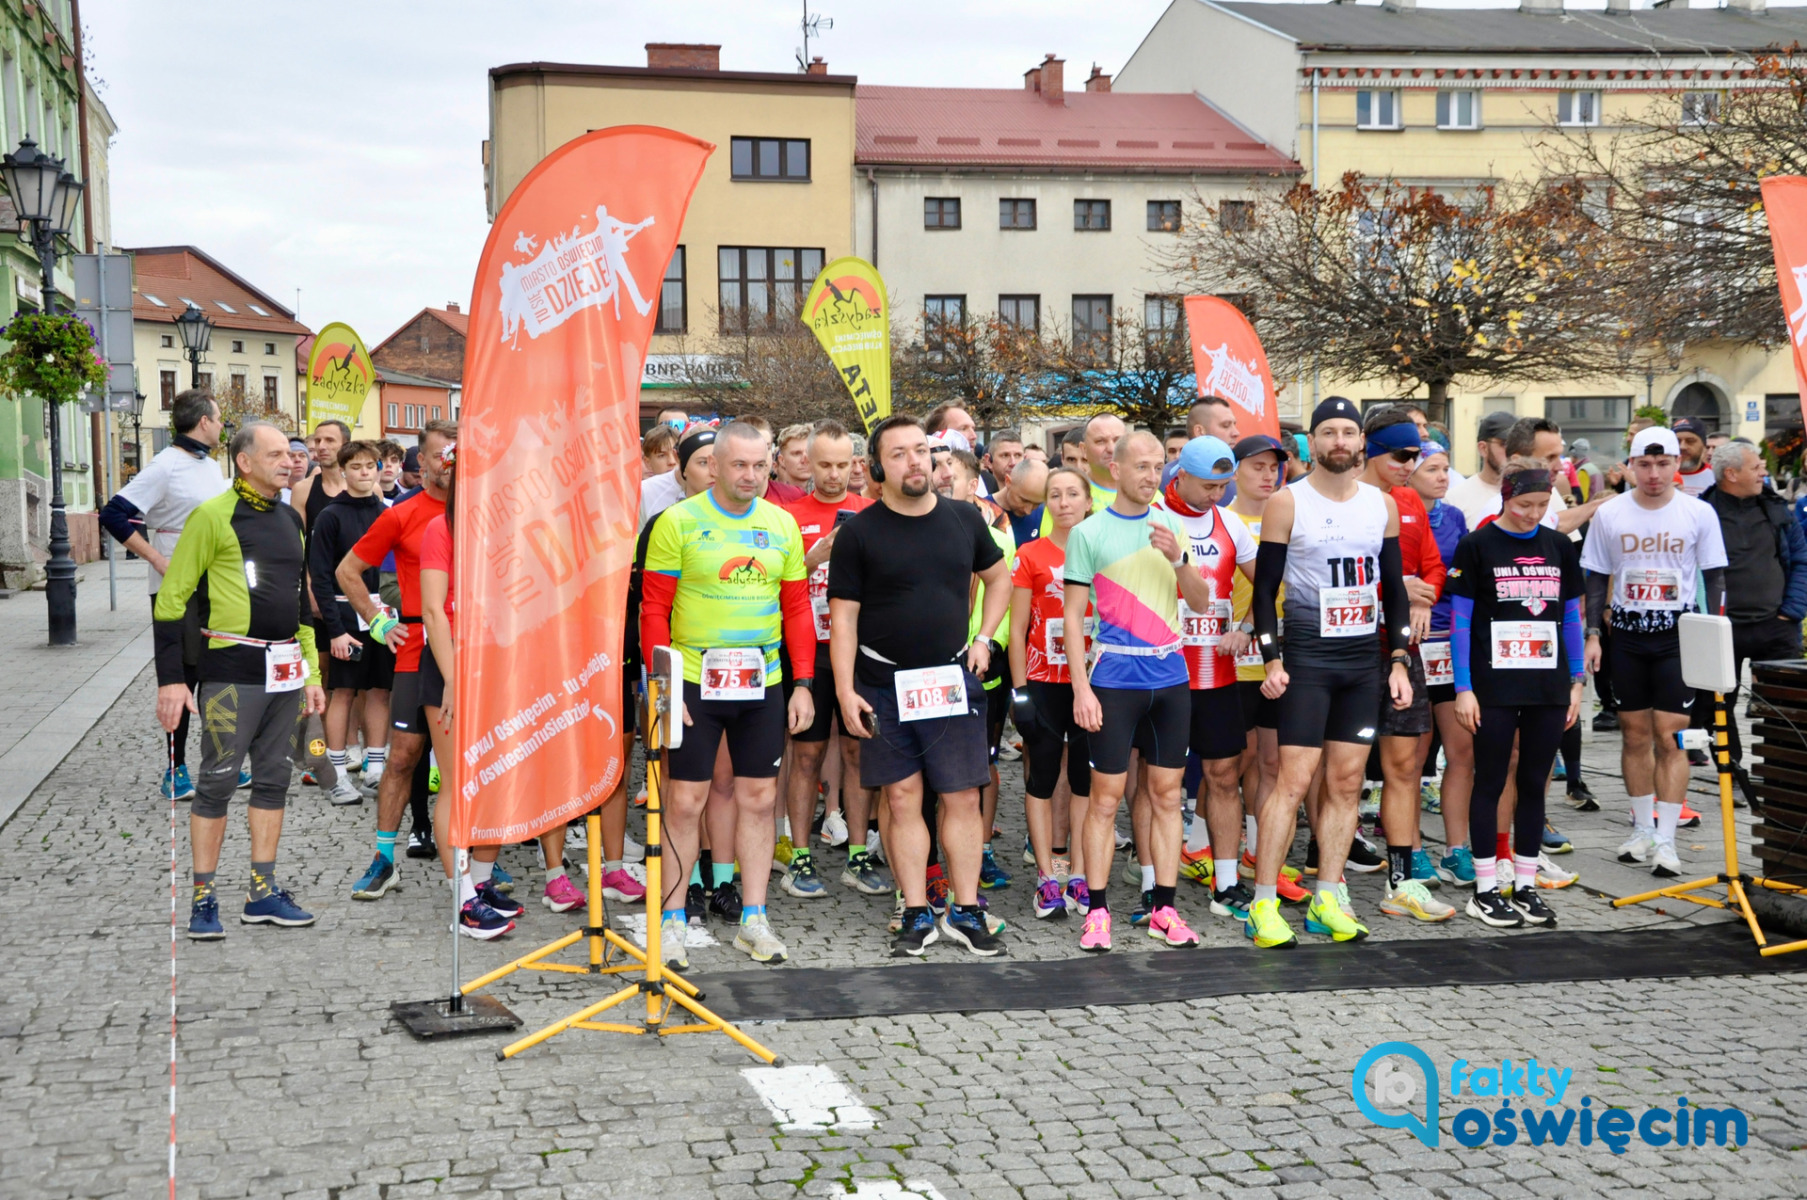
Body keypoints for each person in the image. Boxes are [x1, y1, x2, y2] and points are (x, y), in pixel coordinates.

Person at [829, 415, 1011, 958]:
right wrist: (844, 691)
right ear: (877, 468)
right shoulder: (860, 532)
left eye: (921, 451)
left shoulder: (964, 519)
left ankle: (967, 909)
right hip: (882, 682)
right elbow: (842, 621)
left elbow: (1000, 578)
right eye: (901, 453)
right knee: (903, 797)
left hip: (951, 678)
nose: (915, 462)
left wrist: (985, 639)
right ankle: (914, 911)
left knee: (960, 795)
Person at [641, 422, 817, 966]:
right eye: (738, 465)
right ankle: (670, 920)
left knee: (760, 801)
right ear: (713, 465)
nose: (750, 475)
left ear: (772, 465)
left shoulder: (781, 524)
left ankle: (755, 918)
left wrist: (804, 683)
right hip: (693, 680)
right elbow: (653, 611)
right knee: (684, 801)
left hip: (760, 682)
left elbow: (795, 608)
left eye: (759, 465)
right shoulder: (677, 522)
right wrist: (664, 689)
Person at [1247, 398, 1415, 949]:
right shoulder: (1286, 502)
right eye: (1328, 433)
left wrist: (1398, 659)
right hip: (1309, 659)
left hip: (1363, 661)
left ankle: (1326, 896)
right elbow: (1265, 590)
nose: (1339, 441)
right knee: (1292, 783)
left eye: (1348, 432)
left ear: (1360, 442)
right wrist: (1272, 658)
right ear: (1312, 443)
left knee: (1346, 784)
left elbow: (1393, 589)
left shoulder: (1381, 505)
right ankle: (1264, 902)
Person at [155, 422, 326, 939]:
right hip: (232, 671)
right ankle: (204, 899)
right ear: (244, 461)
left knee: (275, 779)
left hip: (286, 673)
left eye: (290, 455)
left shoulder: (291, 519)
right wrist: (171, 681)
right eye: (275, 454)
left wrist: (313, 673)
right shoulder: (211, 517)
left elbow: (300, 604)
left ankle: (262, 892)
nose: (289, 461)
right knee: (217, 783)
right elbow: (172, 600)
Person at [1063, 430, 1226, 952]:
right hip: (1114, 680)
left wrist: (1179, 559)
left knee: (1166, 797)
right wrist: (1081, 689)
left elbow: (1201, 603)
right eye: (1141, 466)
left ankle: (1164, 909)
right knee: (1105, 801)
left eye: (1159, 466)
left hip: (1170, 678)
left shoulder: (1173, 526)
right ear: (1115, 470)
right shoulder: (1089, 533)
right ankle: (1097, 911)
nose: (1151, 475)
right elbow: (1071, 619)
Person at [1583, 426, 1727, 878]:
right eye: (1644, 465)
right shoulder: (1611, 514)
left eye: (1663, 463)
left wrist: (1718, 630)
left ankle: (1666, 837)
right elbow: (1594, 577)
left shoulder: (1698, 513)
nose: (1653, 474)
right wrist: (1591, 632)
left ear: (1677, 464)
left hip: (1676, 635)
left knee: (1671, 736)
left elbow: (1716, 576)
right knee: (1633, 734)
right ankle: (1642, 828)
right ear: (1629, 466)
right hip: (1626, 632)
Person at [1449, 457, 1585, 928]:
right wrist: (1464, 689)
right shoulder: (1477, 545)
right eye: (1525, 504)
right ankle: (1485, 888)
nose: (1532, 513)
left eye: (1542, 505)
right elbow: (1461, 624)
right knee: (1489, 782)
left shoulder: (1559, 545)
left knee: (1533, 784)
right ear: (1506, 497)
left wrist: (1577, 683)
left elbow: (1570, 617)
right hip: (1495, 686)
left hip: (1547, 685)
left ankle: (1525, 884)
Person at [336, 420, 456, 902]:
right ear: (419, 462)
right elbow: (347, 571)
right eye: (440, 455)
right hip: (416, 647)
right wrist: (379, 621)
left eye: (457, 454)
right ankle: (384, 859)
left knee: (466, 760)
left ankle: (477, 864)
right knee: (404, 756)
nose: (449, 463)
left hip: (471, 648)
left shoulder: (482, 510)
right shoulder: (403, 513)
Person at [414, 447, 527, 938]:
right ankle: (461, 898)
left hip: (499, 667)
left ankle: (481, 885)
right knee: (459, 786)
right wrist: (455, 681)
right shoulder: (441, 529)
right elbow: (435, 612)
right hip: (451, 669)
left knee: (496, 781)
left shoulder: (506, 528)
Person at [98, 388, 227, 800]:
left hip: (215, 580)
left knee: (217, 669)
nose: (222, 425)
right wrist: (156, 559)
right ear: (203, 421)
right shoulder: (165, 465)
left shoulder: (210, 464)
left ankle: (221, 760)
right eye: (219, 418)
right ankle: (176, 769)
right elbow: (113, 514)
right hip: (178, 582)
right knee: (183, 674)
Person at [778, 421, 884, 899]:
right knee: (806, 755)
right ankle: (799, 856)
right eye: (825, 465)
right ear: (807, 463)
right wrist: (812, 559)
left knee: (859, 751)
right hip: (809, 654)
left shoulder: (872, 514)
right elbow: (773, 586)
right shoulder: (785, 516)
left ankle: (859, 855)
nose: (835, 474)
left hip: (862, 653)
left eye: (844, 465)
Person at [1158, 436, 1261, 925]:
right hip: (1161, 674)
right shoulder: (1155, 513)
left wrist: (1244, 629)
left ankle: (1226, 882)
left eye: (1223, 485)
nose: (1216, 495)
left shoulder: (1231, 523)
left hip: (1216, 673)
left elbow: (1267, 584)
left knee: (1223, 776)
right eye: (1207, 485)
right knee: (1159, 783)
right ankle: (1152, 886)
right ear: (1180, 475)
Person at [1358, 410, 1455, 922]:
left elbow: (1435, 566)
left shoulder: (1412, 500)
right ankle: (1330, 877)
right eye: (1402, 455)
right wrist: (1393, 591)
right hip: (1346, 649)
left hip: (1401, 649)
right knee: (1342, 772)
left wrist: (1421, 600)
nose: (1411, 465)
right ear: (1370, 450)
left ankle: (1402, 880)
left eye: (1417, 456)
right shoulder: (1340, 498)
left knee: (1406, 766)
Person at [1224, 435, 1312, 904]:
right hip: (1232, 658)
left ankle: (1262, 855)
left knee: (1273, 762)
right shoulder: (1222, 520)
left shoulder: (1292, 517)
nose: (1266, 475)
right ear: (1233, 469)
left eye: (1274, 467)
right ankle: (1208, 847)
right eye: (1256, 466)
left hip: (1281, 657)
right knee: (1231, 763)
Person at [1009, 465, 1096, 919]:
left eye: (1071, 494)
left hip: (1091, 686)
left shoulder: (1102, 550)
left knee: (1083, 781)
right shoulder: (1030, 554)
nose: (1063, 502)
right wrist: (1019, 692)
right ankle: (1046, 877)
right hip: (1044, 682)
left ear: (1087, 501)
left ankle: (1079, 874)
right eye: (1054, 495)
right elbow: (1018, 628)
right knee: (1041, 778)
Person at [1699, 441, 1807, 802]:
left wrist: (1792, 610)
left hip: (1776, 626)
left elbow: (1802, 559)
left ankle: (1784, 778)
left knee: (1786, 705)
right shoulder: (1702, 512)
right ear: (1732, 474)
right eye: (1757, 466)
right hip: (1722, 629)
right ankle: (1734, 773)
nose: (1765, 471)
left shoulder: (1777, 509)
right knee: (1716, 707)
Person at [307, 440, 396, 805]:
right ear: (343, 471)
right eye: (356, 467)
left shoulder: (389, 512)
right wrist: (336, 629)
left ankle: (376, 768)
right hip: (344, 616)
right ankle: (338, 772)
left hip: (383, 614)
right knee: (342, 691)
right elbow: (321, 577)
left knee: (379, 690)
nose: (364, 473)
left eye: (370, 466)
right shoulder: (330, 516)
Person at [1411, 444, 1478, 885]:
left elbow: (1463, 579)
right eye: (1432, 469)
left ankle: (1457, 848)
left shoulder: (1453, 518)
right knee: (1412, 759)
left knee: (1462, 751)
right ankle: (1413, 849)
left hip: (1450, 645)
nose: (1442, 477)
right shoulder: (1392, 513)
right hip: (1412, 645)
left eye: (1446, 469)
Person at [641, 423, 716, 529]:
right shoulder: (645, 491)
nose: (713, 472)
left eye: (718, 463)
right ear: (680, 459)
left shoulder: (736, 496)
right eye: (703, 462)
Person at [996, 458, 1048, 548]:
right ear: (1008, 482)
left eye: (1037, 504)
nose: (1028, 511)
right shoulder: (983, 511)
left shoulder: (1045, 514)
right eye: (1024, 500)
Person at [1674, 417, 1714, 498]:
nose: (1682, 447)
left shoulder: (1716, 478)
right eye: (1677, 441)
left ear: (1704, 446)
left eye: (1690, 441)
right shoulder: (1656, 476)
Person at [982, 429, 1026, 495]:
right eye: (1005, 455)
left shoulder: (1036, 500)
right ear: (989, 461)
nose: (1013, 463)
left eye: (1017, 455)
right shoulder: (979, 500)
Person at [774, 423, 814, 492]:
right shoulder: (769, 500)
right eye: (797, 453)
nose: (805, 459)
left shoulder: (829, 497)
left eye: (809, 452)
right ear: (782, 460)